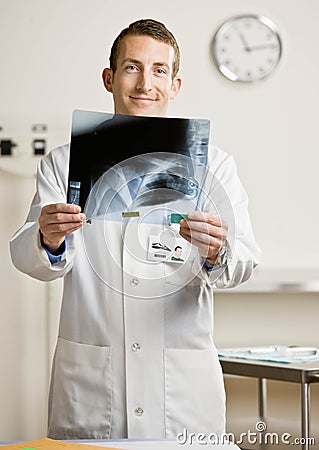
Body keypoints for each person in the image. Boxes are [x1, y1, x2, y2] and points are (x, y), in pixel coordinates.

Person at [10, 19, 260, 440]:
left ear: (175, 85)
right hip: (91, 391)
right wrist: (48, 238)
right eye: (132, 67)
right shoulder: (63, 163)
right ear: (109, 78)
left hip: (182, 394)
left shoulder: (213, 165)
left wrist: (218, 251)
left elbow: (244, 261)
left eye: (159, 70)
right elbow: (34, 259)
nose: (146, 82)